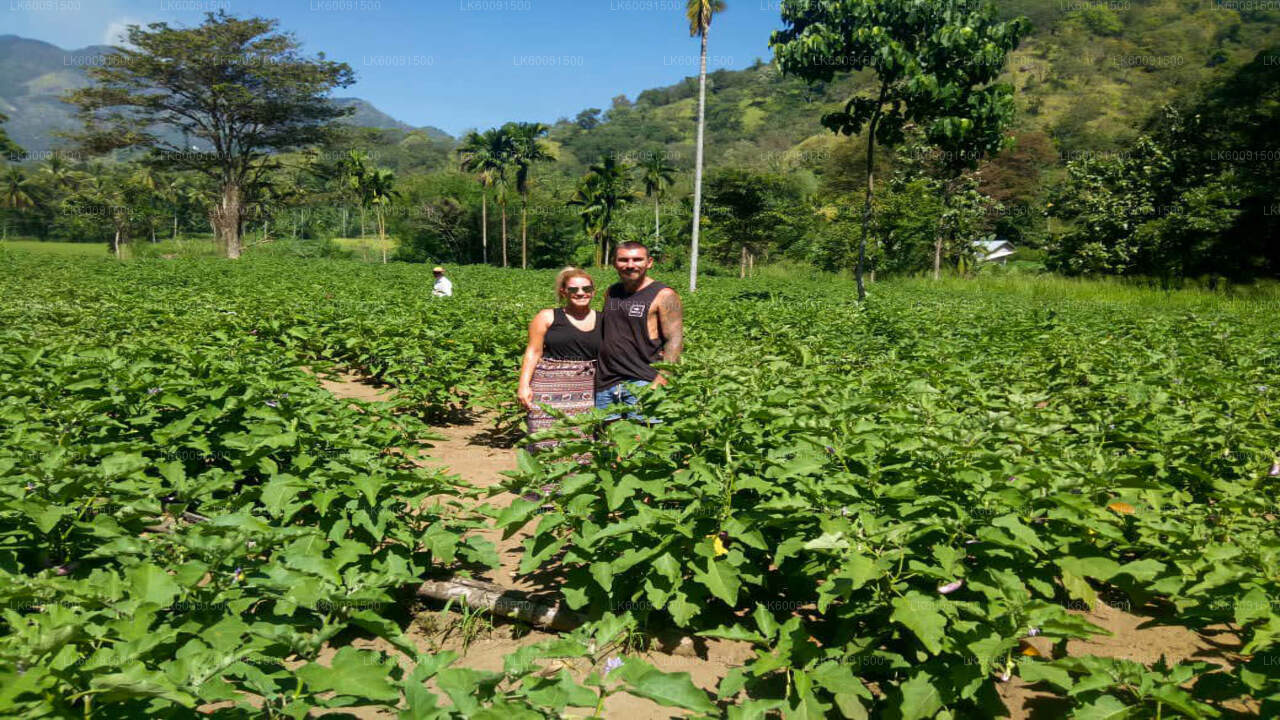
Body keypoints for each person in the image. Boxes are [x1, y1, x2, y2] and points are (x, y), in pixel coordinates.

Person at [595, 241, 684, 421]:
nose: (630, 265)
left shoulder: (664, 294)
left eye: (637, 259)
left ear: (649, 262)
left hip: (643, 381)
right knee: (608, 437)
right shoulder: (611, 292)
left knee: (642, 436)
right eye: (623, 260)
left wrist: (661, 381)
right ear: (614, 263)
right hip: (607, 382)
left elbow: (674, 340)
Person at [517, 267, 601, 453]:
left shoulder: (604, 319)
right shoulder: (547, 317)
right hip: (547, 391)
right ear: (563, 292)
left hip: (588, 392)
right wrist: (523, 385)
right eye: (573, 289)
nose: (581, 293)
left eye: (586, 289)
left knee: (583, 442)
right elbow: (533, 351)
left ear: (593, 291)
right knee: (544, 438)